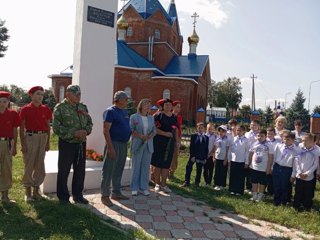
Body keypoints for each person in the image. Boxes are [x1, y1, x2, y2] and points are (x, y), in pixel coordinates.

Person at [53, 85, 93, 204]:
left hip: (81, 144)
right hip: (67, 144)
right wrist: (74, 133)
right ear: (68, 94)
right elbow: (56, 128)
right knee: (64, 170)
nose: (78, 96)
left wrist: (86, 131)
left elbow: (90, 122)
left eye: (79, 94)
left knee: (80, 170)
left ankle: (78, 195)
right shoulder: (60, 108)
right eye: (76, 94)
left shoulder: (82, 107)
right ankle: (63, 197)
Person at [20, 86, 52, 202]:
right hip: (30, 137)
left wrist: (48, 142)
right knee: (29, 164)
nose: (40, 97)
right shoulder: (25, 109)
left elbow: (48, 127)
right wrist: (23, 144)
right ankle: (27, 192)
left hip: (42, 137)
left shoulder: (46, 109)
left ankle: (36, 190)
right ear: (32, 95)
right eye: (38, 94)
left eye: (42, 94)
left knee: (40, 164)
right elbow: (21, 128)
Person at [101, 91, 131, 206]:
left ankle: (116, 192)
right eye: (126, 99)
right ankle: (104, 195)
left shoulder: (124, 111)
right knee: (108, 170)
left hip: (123, 144)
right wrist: (110, 147)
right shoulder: (110, 111)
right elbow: (105, 130)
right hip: (113, 143)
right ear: (118, 99)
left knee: (119, 168)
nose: (127, 101)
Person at [130, 99, 156, 196]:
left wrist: (150, 135)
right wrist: (141, 136)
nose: (148, 106)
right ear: (140, 106)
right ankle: (134, 187)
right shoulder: (134, 117)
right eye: (146, 104)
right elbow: (131, 130)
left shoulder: (151, 118)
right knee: (136, 166)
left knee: (145, 167)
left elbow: (154, 130)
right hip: (138, 144)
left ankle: (144, 187)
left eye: (149, 104)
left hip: (148, 145)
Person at [151, 98, 178, 193]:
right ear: (162, 106)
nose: (168, 106)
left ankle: (164, 184)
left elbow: (176, 130)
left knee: (166, 164)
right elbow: (154, 129)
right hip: (159, 142)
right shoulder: (158, 116)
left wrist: (176, 142)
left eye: (170, 105)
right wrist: (166, 134)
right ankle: (157, 184)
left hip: (169, 144)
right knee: (157, 164)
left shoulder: (174, 117)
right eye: (166, 104)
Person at [0, 91, 20, 203]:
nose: (2, 104)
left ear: (8, 102)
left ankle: (5, 196)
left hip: (7, 143)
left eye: (4, 101)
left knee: (6, 169)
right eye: (0, 102)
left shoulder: (13, 114)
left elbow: (14, 131)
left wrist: (14, 146)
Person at [293, 133, 319, 211]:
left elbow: (315, 165)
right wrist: (299, 172)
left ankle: (307, 206)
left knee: (308, 192)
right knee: (298, 191)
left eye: (306, 141)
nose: (303, 142)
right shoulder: (300, 149)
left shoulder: (315, 152)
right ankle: (296, 206)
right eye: (303, 140)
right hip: (299, 175)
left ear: (312, 142)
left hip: (309, 177)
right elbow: (296, 161)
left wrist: (307, 173)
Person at [272, 132, 300, 206]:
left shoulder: (296, 150)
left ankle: (284, 201)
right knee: (276, 185)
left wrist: (293, 175)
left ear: (293, 140)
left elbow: (295, 164)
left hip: (287, 170)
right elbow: (274, 157)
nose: (286, 141)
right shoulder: (278, 146)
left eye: (288, 139)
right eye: (285, 139)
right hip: (277, 167)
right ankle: (276, 200)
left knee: (285, 186)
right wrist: (272, 167)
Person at [247, 129, 274, 202]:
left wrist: (269, 167)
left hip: (263, 168)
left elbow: (271, 157)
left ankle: (260, 195)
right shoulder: (254, 143)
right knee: (254, 181)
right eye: (258, 136)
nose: (259, 137)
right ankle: (254, 194)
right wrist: (249, 163)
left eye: (262, 136)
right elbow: (251, 154)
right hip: (254, 166)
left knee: (262, 182)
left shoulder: (269, 145)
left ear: (266, 136)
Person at [181, 122, 209, 187]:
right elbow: (191, 147)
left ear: (204, 129)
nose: (200, 129)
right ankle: (186, 181)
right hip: (194, 155)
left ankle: (197, 183)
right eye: (199, 128)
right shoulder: (194, 136)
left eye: (201, 128)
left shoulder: (206, 137)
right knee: (188, 167)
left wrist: (205, 157)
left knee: (199, 170)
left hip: (201, 156)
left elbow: (206, 148)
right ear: (197, 128)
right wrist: (192, 156)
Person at [229, 125, 249, 195]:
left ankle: (239, 191)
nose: (238, 132)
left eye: (240, 130)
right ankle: (232, 189)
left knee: (240, 176)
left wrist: (246, 162)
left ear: (243, 131)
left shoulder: (246, 140)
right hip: (234, 160)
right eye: (237, 130)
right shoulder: (234, 139)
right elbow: (231, 150)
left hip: (241, 161)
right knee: (233, 175)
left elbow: (247, 152)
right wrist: (229, 159)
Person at [244, 120, 260, 193]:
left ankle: (252, 188)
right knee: (247, 171)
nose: (253, 126)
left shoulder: (259, 135)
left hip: (255, 155)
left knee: (252, 171)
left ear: (258, 126)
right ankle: (248, 187)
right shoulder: (247, 133)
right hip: (247, 154)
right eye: (251, 125)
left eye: (255, 125)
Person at [213, 125, 230, 191]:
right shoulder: (217, 138)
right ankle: (217, 184)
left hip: (223, 159)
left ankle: (222, 185)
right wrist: (214, 157)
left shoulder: (227, 139)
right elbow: (215, 148)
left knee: (223, 172)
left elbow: (227, 150)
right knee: (217, 172)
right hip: (217, 158)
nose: (221, 133)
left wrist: (226, 159)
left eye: (222, 131)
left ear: (225, 132)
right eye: (219, 131)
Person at [266, 127, 281, 195]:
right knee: (264, 178)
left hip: (273, 163)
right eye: (268, 134)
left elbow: (276, 155)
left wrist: (271, 166)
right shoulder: (264, 141)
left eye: (271, 134)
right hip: (264, 163)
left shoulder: (278, 143)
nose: (269, 135)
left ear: (275, 134)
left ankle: (271, 192)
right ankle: (262, 191)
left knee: (271, 178)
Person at [169, 100, 182, 178]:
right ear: (173, 107)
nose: (179, 109)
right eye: (177, 106)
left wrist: (180, 137)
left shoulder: (179, 117)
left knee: (175, 155)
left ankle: (172, 172)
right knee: (170, 155)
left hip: (178, 137)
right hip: (171, 137)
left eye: (180, 107)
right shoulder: (170, 116)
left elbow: (179, 128)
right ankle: (167, 172)